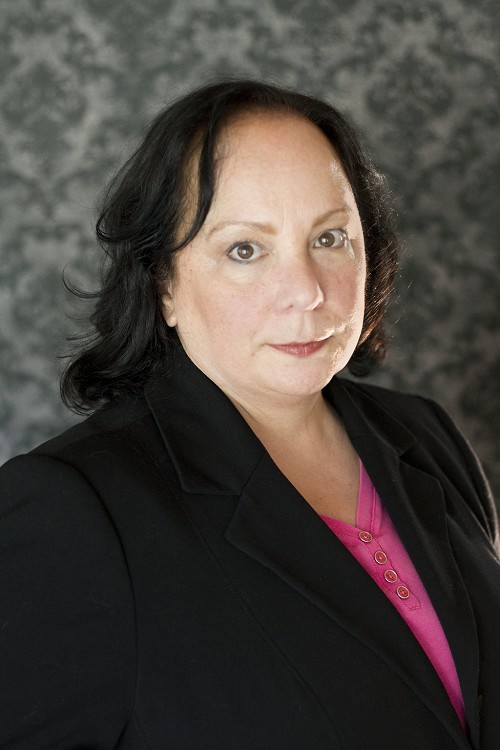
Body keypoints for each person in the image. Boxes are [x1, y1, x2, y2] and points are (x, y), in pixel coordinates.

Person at [1, 79, 498, 750]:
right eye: (245, 249)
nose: (306, 291)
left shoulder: (424, 435)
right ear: (163, 282)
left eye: (330, 237)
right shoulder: (73, 512)